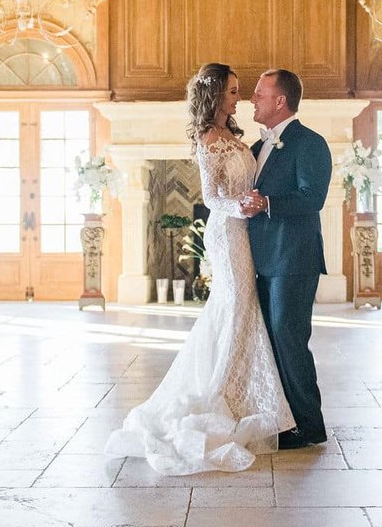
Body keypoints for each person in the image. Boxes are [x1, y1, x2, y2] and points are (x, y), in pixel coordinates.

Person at [103, 63, 294, 474]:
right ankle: (221, 391)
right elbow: (211, 197)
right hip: (227, 232)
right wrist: (239, 207)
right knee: (236, 306)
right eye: (231, 92)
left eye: (240, 91)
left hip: (244, 231)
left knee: (243, 310)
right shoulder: (208, 138)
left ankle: (237, 390)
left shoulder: (236, 137)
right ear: (213, 96)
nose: (237, 98)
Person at [239, 67, 330, 449]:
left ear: (280, 101)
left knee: (291, 341)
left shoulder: (310, 142)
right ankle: (286, 418)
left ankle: (310, 427)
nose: (252, 99)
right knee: (274, 342)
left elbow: (314, 197)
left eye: (260, 94)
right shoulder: (259, 147)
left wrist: (267, 203)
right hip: (264, 262)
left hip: (294, 260)